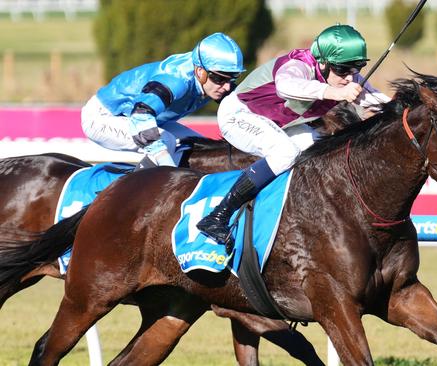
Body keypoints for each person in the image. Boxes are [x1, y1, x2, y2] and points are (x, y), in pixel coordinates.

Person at [197, 24, 390, 245]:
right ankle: (217, 217)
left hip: (279, 123)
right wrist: (336, 93)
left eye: (355, 69)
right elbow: (286, 86)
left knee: (322, 151)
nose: (349, 77)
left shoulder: (344, 78)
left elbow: (378, 100)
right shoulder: (297, 65)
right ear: (323, 62)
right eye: (343, 70)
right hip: (238, 115)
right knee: (284, 152)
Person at [81, 32, 245, 168]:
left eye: (231, 79)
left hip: (147, 117)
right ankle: (132, 196)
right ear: (200, 71)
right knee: (165, 143)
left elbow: (246, 107)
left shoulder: (212, 77)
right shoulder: (177, 80)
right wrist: (168, 167)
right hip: (105, 117)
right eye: (219, 79)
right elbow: (141, 115)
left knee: (201, 146)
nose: (226, 87)